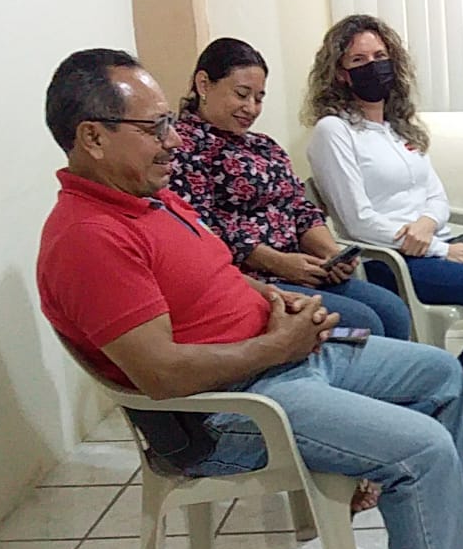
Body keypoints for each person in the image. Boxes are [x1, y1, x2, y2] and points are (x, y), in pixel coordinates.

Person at [37, 48, 463, 549]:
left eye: (169, 124)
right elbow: (160, 373)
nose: (172, 141)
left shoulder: (148, 198)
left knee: (439, 373)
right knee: (423, 447)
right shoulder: (89, 238)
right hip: (229, 412)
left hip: (277, 359)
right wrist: (278, 345)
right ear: (93, 137)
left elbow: (217, 274)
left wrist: (276, 300)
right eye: (154, 127)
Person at [305, 15, 463, 450]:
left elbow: (436, 196)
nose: (373, 66)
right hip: (388, 259)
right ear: (340, 73)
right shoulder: (333, 131)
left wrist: (428, 226)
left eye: (380, 56)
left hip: (435, 241)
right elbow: (358, 220)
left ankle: (459, 380)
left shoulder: (398, 127)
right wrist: (436, 248)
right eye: (359, 60)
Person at [168, 37, 412, 344]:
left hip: (302, 270)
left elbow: (299, 208)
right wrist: (277, 262)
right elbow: (198, 231)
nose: (251, 108)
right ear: (204, 84)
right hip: (250, 281)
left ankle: (387, 373)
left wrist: (330, 254)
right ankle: (337, 370)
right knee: (363, 323)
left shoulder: (263, 146)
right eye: (241, 94)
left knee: (393, 311)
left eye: (259, 98)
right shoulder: (183, 148)